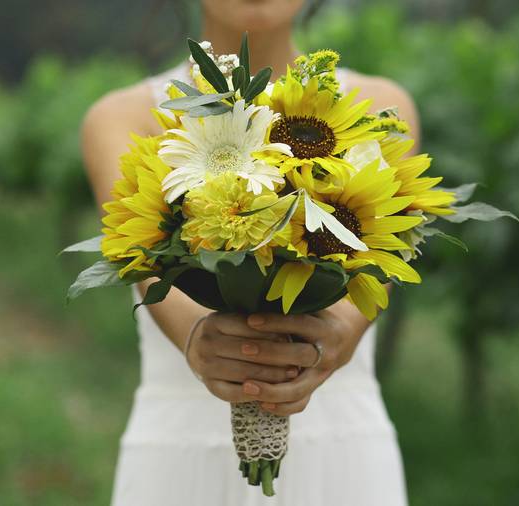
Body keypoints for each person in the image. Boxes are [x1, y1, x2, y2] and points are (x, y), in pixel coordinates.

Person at [81, 1, 419, 504]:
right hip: (182, 453)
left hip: (341, 451)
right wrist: (199, 339)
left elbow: (388, 249)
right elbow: (143, 261)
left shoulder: (379, 108)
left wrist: (339, 334)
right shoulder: (122, 118)